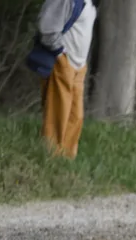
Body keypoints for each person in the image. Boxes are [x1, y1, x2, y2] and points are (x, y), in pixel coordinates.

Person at [34, 0, 98, 159]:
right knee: (57, 114)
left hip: (79, 68)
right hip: (63, 62)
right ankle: (49, 158)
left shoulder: (90, 3)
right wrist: (59, 53)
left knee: (75, 117)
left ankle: (65, 160)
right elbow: (47, 27)